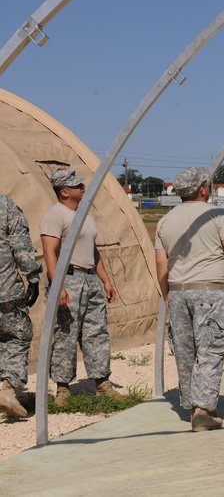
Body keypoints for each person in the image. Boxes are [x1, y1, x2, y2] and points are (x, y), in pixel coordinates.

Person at [155, 167, 224, 431]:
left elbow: (161, 265)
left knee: (185, 351)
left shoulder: (165, 221)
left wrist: (167, 295)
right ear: (202, 189)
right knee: (210, 350)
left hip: (178, 291)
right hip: (209, 290)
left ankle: (192, 404)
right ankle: (203, 410)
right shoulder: (218, 214)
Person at [40, 169, 126, 406]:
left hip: (89, 280)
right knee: (65, 334)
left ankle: (102, 383)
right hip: (68, 279)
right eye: (78, 186)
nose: (83, 188)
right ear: (64, 191)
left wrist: (105, 280)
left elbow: (94, 251)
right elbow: (49, 251)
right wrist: (58, 285)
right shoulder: (55, 215)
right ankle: (63, 389)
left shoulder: (84, 215)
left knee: (96, 332)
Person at [0, 193, 42, 418]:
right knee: (17, 336)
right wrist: (32, 277)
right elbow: (20, 245)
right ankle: (8, 390)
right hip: (5, 290)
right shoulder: (4, 205)